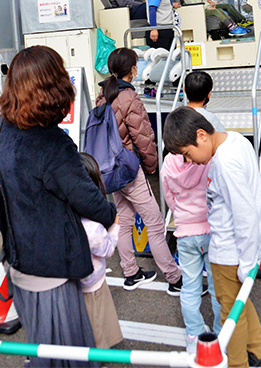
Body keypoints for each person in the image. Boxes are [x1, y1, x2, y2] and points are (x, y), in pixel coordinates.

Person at [0, 45, 117, 368]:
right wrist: (111, 216)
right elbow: (89, 200)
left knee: (41, 348)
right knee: (67, 357)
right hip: (50, 269)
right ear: (54, 86)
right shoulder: (52, 144)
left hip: (17, 263)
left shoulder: (3, 131)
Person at [163, 106, 261, 368]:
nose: (190, 162)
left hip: (230, 253)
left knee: (230, 315)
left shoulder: (224, 164)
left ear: (202, 135)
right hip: (239, 249)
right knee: (240, 304)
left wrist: (247, 262)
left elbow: (245, 214)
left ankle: (237, 363)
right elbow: (254, 198)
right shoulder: (237, 140)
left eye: (187, 154)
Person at [96, 47, 182, 294]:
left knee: (123, 222)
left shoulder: (103, 94)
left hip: (110, 170)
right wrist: (152, 165)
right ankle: (174, 279)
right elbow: (143, 136)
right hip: (129, 169)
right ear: (132, 69)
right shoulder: (129, 97)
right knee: (155, 224)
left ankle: (131, 273)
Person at [160, 83, 222, 353]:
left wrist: (181, 216)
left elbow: (169, 198)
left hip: (184, 232)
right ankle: (222, 332)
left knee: (190, 287)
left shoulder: (168, 164)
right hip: (210, 229)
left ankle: (194, 336)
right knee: (219, 286)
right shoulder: (206, 157)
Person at [80, 152, 123, 349]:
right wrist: (114, 227)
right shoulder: (91, 225)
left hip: (75, 281)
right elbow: (106, 249)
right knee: (97, 325)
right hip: (92, 281)